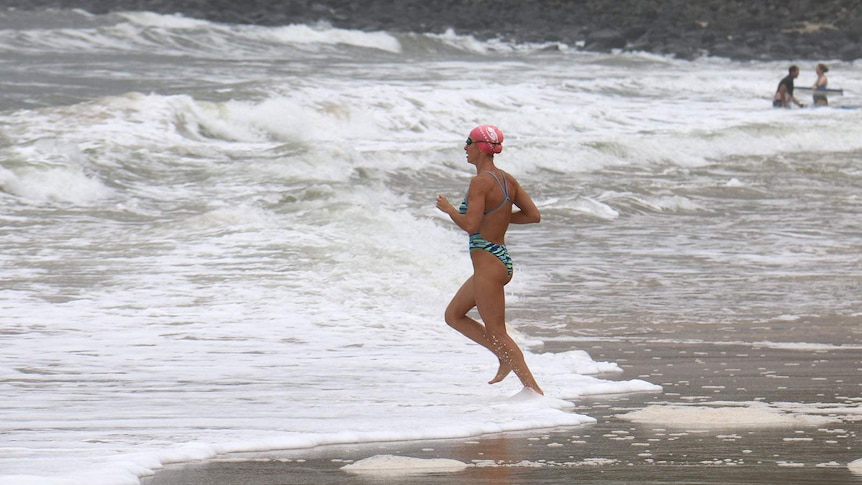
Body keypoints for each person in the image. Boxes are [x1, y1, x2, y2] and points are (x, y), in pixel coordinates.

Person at [435, 125, 544, 395]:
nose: (465, 147)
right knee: (453, 315)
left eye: (468, 142)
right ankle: (504, 358)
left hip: (488, 266)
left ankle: (533, 391)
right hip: (498, 261)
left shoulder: (480, 182)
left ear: (481, 147)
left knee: (497, 332)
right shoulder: (507, 180)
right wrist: (497, 218)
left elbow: (471, 226)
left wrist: (449, 210)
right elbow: (532, 215)